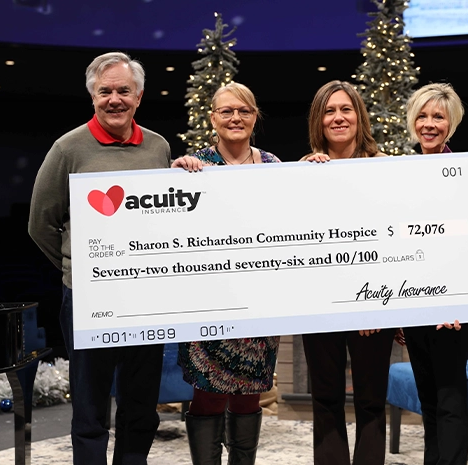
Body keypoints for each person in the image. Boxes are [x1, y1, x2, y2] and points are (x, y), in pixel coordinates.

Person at [29, 51, 171, 465]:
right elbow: (41, 223)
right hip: (90, 299)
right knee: (90, 405)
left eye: (123, 90)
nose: (114, 99)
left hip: (147, 298)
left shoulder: (159, 147)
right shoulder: (68, 148)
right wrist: (78, 268)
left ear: (139, 96)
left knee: (142, 401)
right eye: (105, 91)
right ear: (92, 95)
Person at [171, 82, 280, 465]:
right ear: (213, 118)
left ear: (255, 116)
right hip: (208, 303)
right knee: (209, 393)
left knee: (250, 393)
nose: (236, 118)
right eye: (227, 111)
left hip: (259, 303)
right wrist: (175, 176)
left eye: (244, 111)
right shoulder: (192, 168)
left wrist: (313, 169)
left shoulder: (274, 166)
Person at [300, 80, 395, 465]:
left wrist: (374, 303)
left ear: (360, 116)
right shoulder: (303, 171)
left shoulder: (386, 167)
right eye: (329, 111)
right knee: (325, 398)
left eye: (346, 109)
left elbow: (395, 242)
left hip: (374, 303)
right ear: (318, 120)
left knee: (371, 400)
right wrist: (300, 177)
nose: (338, 118)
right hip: (320, 302)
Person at [398, 82, 468, 465]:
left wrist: (462, 304)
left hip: (451, 309)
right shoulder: (398, 173)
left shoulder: (467, 172)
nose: (429, 124)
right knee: (429, 400)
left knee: (450, 400)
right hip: (413, 304)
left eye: (438, 117)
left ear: (451, 125)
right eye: (422, 115)